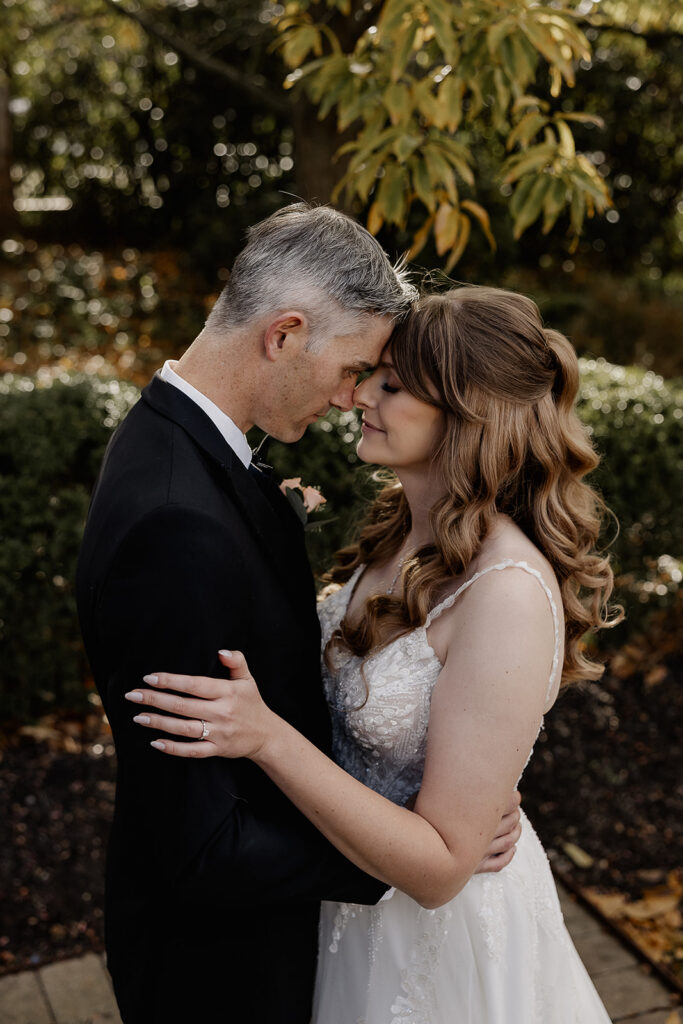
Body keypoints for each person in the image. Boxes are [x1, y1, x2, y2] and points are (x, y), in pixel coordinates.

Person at [127, 286, 621, 1022]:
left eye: (391, 385)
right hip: (340, 903)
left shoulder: (505, 593)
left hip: (434, 946)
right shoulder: (398, 533)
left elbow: (440, 870)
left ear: (467, 413)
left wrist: (266, 739)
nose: (359, 396)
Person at [76, 208, 520, 1024]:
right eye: (354, 368)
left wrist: (444, 792)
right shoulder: (177, 521)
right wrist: (419, 856)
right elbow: (203, 843)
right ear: (283, 334)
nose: (353, 397)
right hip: (219, 974)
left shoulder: (179, 450)